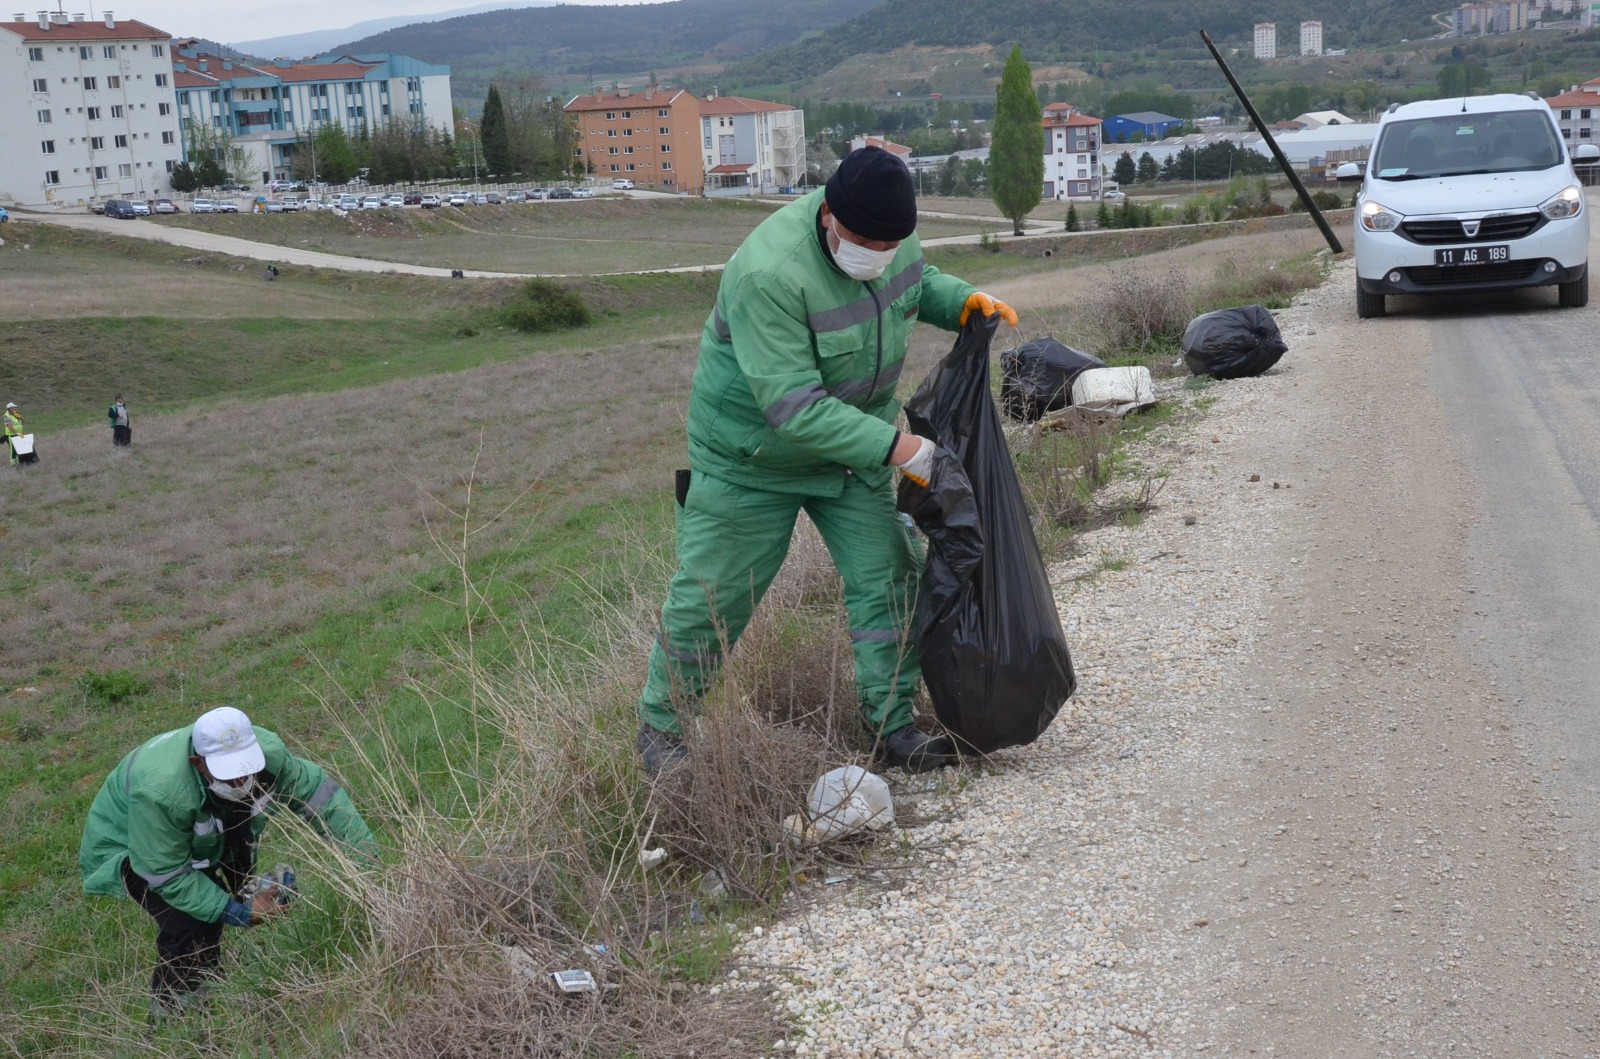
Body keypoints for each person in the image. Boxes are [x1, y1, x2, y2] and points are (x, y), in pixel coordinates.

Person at [635, 146, 1018, 775]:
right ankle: (662, 728)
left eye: (890, 243)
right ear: (829, 218)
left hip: (850, 452)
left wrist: (963, 301)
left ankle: (891, 729)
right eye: (865, 241)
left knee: (889, 577)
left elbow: (913, 284)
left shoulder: (891, 233)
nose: (878, 254)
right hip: (752, 461)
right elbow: (796, 409)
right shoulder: (770, 273)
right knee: (715, 596)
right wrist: (907, 449)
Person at [79, 706, 377, 1017]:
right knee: (192, 926)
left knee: (235, 881)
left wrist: (368, 868)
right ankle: (176, 1023)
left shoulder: (271, 755)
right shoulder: (161, 790)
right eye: (229, 774)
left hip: (199, 832)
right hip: (136, 845)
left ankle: (213, 985)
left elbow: (323, 799)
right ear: (199, 763)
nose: (241, 782)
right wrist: (236, 913)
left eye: (246, 770)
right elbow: (166, 875)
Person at [4, 401, 23, 466]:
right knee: (13, 449)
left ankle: (18, 462)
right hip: (11, 435)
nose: (15, 409)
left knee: (18, 448)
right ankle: (13, 464)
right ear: (9, 408)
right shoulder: (6, 416)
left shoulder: (15, 414)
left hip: (18, 434)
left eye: (15, 407)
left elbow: (23, 421)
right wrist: (17, 433)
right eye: (14, 407)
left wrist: (19, 417)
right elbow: (9, 426)